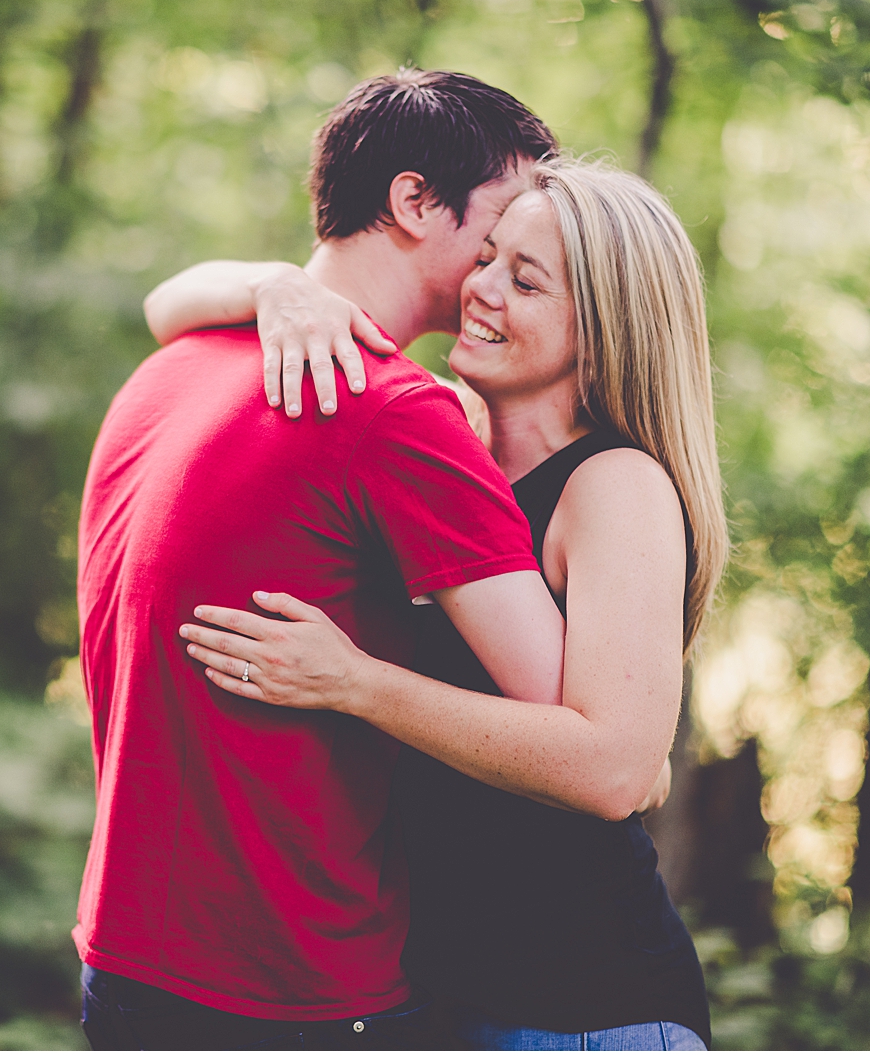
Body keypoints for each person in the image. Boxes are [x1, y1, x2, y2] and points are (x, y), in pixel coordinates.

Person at [162, 157, 727, 1050]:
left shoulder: (614, 485)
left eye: (526, 279)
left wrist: (355, 684)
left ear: (607, 326)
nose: (482, 288)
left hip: (584, 1012)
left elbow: (620, 772)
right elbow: (166, 304)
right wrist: (276, 286)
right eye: (488, 256)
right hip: (438, 1004)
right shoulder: (440, 445)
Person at [73, 70, 574, 1050]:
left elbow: (162, 302)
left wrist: (265, 283)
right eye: (506, 218)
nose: (513, 251)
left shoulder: (172, 365)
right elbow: (563, 706)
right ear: (414, 201)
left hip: (125, 968)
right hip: (296, 992)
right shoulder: (393, 412)